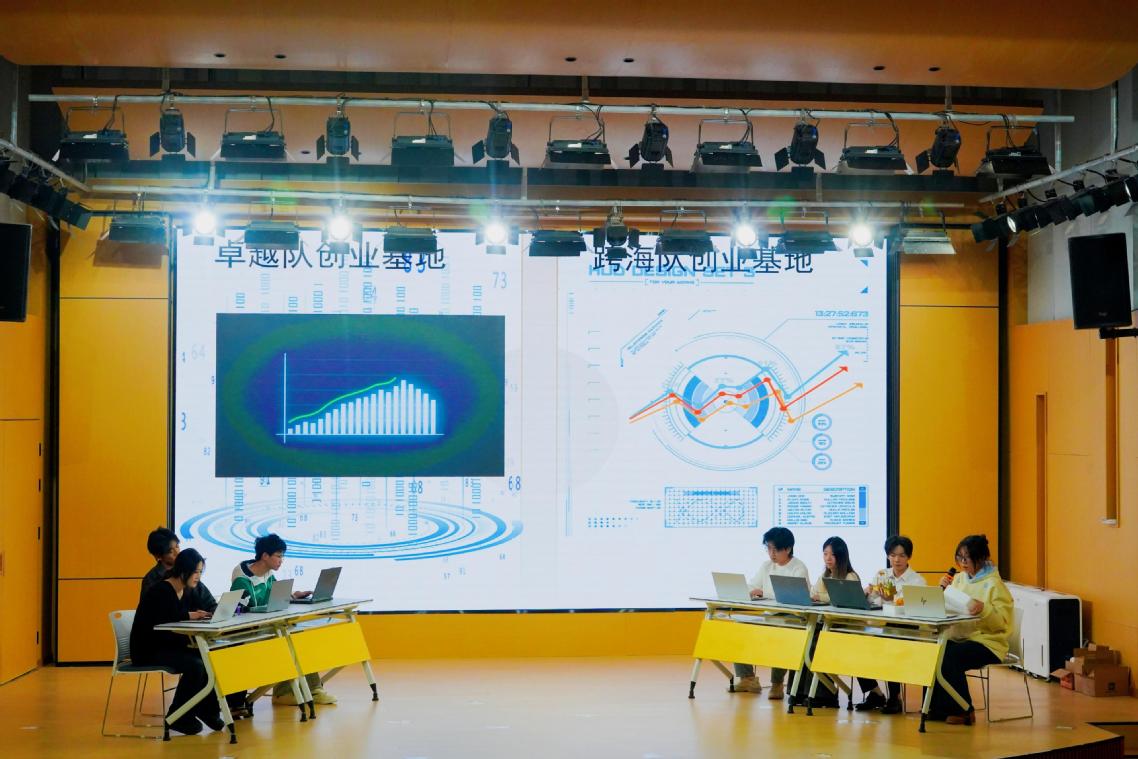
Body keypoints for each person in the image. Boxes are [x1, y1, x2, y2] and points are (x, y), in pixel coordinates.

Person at [231, 534, 335, 706]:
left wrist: (293, 595)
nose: (281, 560)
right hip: (250, 635)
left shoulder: (268, 573)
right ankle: (285, 693)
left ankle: (312, 690)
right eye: (278, 556)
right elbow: (245, 614)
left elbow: (274, 598)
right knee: (291, 640)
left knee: (299, 636)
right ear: (265, 556)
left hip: (269, 627)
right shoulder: (242, 579)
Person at [131, 548, 225, 736]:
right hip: (148, 650)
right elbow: (163, 620)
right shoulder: (161, 590)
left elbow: (200, 609)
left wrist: (207, 614)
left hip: (169, 646)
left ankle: (207, 710)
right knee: (196, 665)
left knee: (210, 657)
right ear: (183, 570)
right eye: (195, 572)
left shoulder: (188, 590)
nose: (198, 577)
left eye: (200, 572)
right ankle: (179, 716)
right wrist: (190, 615)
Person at [928, 534, 1014, 725]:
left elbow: (1003, 623)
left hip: (988, 643)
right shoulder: (959, 579)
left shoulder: (994, 585)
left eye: (968, 558)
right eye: (960, 557)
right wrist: (941, 593)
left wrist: (984, 609)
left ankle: (963, 710)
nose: (963, 562)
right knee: (935, 650)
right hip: (960, 637)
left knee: (950, 655)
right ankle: (937, 708)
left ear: (981, 558)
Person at [732, 526, 810, 700]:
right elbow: (753, 585)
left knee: (781, 633)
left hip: (792, 617)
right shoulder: (766, 566)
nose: (771, 553)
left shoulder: (798, 568)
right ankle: (747, 678)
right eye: (768, 548)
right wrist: (747, 591)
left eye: (775, 549)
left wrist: (764, 592)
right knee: (740, 626)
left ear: (788, 548)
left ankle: (777, 683)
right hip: (770, 615)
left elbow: (793, 597)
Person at [795, 536, 868, 709]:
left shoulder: (850, 576)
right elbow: (813, 593)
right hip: (830, 626)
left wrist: (820, 597)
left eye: (832, 555)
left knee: (816, 643)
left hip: (847, 628)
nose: (828, 558)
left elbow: (839, 598)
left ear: (841, 556)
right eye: (825, 554)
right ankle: (800, 692)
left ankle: (824, 695)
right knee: (805, 640)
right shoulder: (825, 575)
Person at [858, 535, 927, 714]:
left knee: (890, 643)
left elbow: (913, 609)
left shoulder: (917, 581)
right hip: (882, 626)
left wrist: (891, 599)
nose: (897, 560)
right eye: (893, 555)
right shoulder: (882, 574)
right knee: (856, 643)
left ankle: (895, 697)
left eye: (902, 555)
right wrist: (866, 593)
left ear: (909, 557)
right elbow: (871, 599)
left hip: (907, 631)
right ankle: (875, 692)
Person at [141, 527, 217, 612]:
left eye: (177, 546)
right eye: (170, 551)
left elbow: (211, 605)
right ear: (158, 556)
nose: (177, 552)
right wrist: (190, 616)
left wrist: (209, 613)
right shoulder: (151, 579)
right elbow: (150, 612)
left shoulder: (188, 571)